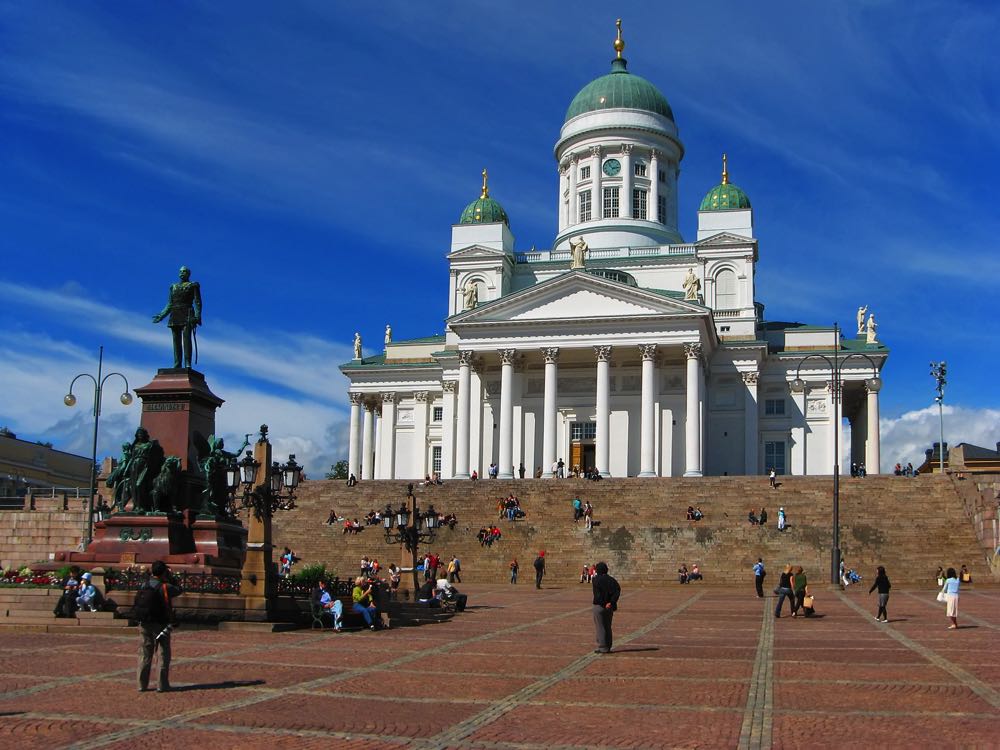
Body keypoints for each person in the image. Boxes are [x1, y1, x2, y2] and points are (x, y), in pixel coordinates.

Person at [136, 560, 183, 692]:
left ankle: (141, 684)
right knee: (163, 653)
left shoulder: (144, 584)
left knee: (145, 653)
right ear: (163, 572)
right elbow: (179, 590)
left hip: (144, 622)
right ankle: (162, 684)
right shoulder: (165, 587)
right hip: (161, 624)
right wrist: (172, 577)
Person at [152, 266, 202, 369]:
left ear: (188, 274)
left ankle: (187, 363)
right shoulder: (173, 287)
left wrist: (197, 316)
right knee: (176, 341)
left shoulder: (193, 285)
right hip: (175, 314)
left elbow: (197, 302)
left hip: (187, 313)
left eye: (184, 271)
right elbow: (169, 304)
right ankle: (177, 363)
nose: (182, 273)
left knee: (187, 340)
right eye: (181, 271)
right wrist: (161, 316)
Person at [591, 561, 620, 654]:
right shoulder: (612, 580)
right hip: (610, 607)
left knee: (600, 627)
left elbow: (598, 595)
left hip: (600, 606)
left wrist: (604, 603)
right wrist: (611, 602)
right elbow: (617, 591)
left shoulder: (596, 580)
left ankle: (603, 647)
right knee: (608, 626)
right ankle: (608, 646)